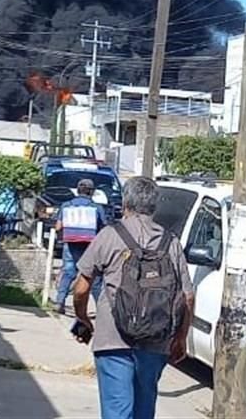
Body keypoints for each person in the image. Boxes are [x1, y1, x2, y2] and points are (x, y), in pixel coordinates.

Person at [72, 177, 194, 419]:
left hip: (113, 339)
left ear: (125, 203)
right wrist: (180, 336)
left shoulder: (109, 236)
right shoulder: (171, 243)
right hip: (156, 340)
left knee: (118, 410)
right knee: (143, 409)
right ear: (154, 206)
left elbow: (81, 288)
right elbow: (187, 297)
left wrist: (83, 318)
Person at [53, 178, 106, 314]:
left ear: (77, 190)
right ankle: (101, 309)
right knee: (93, 276)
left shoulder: (66, 205)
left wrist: (61, 238)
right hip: (90, 246)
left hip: (71, 243)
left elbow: (58, 227)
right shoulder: (97, 208)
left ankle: (59, 302)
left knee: (68, 272)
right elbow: (103, 229)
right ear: (92, 192)